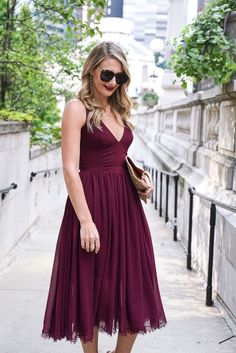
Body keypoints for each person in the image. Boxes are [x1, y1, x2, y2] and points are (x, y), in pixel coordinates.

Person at [41, 41, 167, 353]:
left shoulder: (120, 109)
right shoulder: (76, 108)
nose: (113, 82)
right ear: (92, 70)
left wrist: (140, 179)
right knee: (90, 288)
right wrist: (85, 221)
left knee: (133, 286)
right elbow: (70, 169)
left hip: (126, 209)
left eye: (120, 77)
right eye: (107, 74)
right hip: (90, 207)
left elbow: (117, 155)